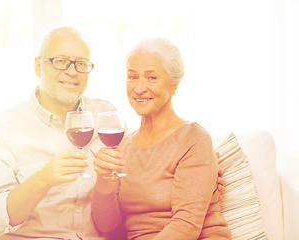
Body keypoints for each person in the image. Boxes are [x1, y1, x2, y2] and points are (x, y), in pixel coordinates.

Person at [0, 26, 117, 239]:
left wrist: (107, 182)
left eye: (81, 64)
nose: (72, 72)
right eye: (60, 61)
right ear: (38, 67)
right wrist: (43, 179)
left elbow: (110, 227)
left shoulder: (105, 116)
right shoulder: (4, 126)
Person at [91, 38, 232, 239]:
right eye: (133, 77)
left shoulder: (193, 138)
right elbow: (107, 227)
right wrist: (103, 178)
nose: (139, 88)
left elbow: (186, 225)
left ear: (174, 85)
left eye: (152, 78)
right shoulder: (123, 147)